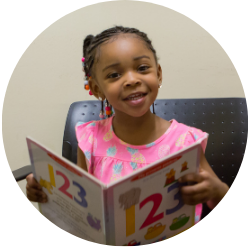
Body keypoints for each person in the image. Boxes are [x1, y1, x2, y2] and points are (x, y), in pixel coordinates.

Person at [26, 26, 229, 222]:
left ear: (158, 74)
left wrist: (216, 190)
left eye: (142, 68)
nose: (131, 80)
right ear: (97, 89)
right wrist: (47, 191)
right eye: (114, 75)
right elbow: (80, 203)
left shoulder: (186, 141)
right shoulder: (89, 140)